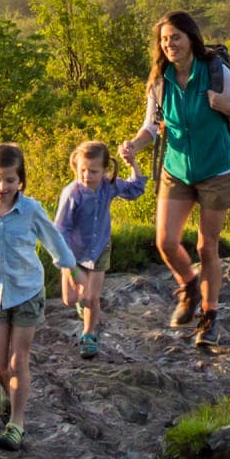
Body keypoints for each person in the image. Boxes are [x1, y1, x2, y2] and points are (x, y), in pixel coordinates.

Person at [128, 9, 230, 352]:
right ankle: (189, 285)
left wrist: (225, 106)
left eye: (175, 38)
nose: (170, 45)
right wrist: (134, 145)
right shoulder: (159, 79)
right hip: (176, 168)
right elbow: (152, 125)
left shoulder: (215, 72)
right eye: (164, 40)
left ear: (191, 39)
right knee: (165, 242)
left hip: (216, 168)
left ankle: (208, 317)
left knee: (206, 247)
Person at [0, 141, 79, 451]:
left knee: (18, 361)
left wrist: (71, 271)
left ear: (21, 180)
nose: (3, 187)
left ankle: (17, 423)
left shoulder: (30, 209)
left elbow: (54, 240)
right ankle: (8, 391)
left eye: (10, 180)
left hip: (27, 291)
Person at [52, 138, 146, 357]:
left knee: (93, 297)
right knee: (71, 299)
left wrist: (132, 163)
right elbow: (61, 229)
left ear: (105, 170)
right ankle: (81, 304)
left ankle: (89, 334)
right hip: (73, 253)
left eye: (93, 171)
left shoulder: (108, 186)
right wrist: (67, 263)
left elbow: (135, 189)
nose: (87, 176)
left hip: (100, 248)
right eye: (83, 170)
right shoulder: (72, 194)